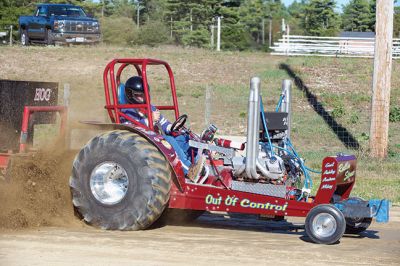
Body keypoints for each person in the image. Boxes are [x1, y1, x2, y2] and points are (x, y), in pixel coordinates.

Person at [121, 76, 205, 181]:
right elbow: (130, 129)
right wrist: (150, 120)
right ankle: (189, 171)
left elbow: (164, 123)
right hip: (143, 143)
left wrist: (173, 127)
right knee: (168, 141)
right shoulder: (126, 111)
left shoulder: (150, 107)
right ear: (130, 95)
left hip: (158, 139)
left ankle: (198, 161)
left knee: (183, 138)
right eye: (139, 95)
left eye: (145, 94)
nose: (143, 98)